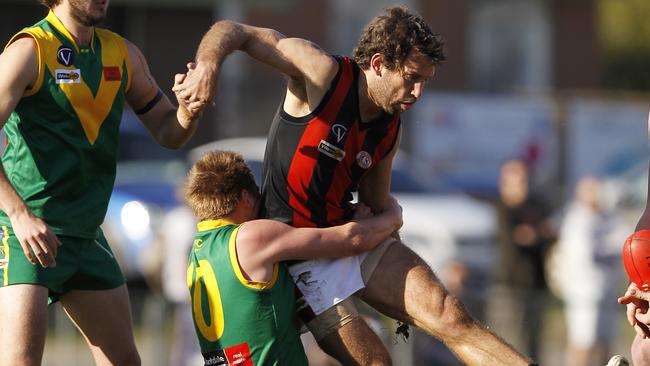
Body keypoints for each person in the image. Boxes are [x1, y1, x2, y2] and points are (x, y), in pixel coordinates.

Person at [175, 6, 535, 366]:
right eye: (411, 78)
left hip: (349, 238)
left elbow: (378, 209)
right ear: (378, 63)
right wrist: (208, 66)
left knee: (450, 314)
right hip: (297, 255)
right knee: (377, 362)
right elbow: (234, 29)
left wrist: (397, 280)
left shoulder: (389, 127)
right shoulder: (322, 74)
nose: (418, 91)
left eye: (426, 80)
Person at [0, 1, 203, 365]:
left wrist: (188, 109)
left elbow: (168, 132)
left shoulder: (122, 53)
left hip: (87, 233)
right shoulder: (28, 50)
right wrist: (19, 215)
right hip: (25, 233)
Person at [184, 150, 403, 365]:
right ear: (245, 198)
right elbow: (352, 240)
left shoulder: (199, 251)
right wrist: (393, 215)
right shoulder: (250, 238)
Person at [487, 159, 556, 360]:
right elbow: (516, 238)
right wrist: (536, 233)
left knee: (534, 347)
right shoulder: (501, 208)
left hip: (536, 285)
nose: (522, 185)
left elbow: (549, 233)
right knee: (508, 346)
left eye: (525, 180)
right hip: (509, 288)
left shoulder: (537, 205)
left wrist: (537, 234)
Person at [556, 176, 626, 366]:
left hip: (609, 289)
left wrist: (607, 248)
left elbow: (623, 242)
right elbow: (585, 255)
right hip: (584, 291)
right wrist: (609, 247)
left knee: (606, 342)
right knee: (583, 341)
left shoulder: (609, 216)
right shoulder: (577, 219)